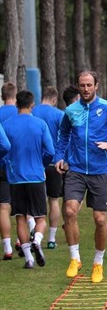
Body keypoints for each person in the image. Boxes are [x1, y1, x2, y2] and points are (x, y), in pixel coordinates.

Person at [54, 71, 107, 283]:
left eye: (89, 85)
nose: (85, 89)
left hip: (100, 170)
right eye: (82, 85)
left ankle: (98, 262)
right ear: (77, 87)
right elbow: (63, 136)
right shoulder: (71, 111)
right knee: (69, 211)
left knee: (100, 219)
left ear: (96, 85)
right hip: (76, 169)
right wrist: (60, 157)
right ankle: (75, 258)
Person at [4, 90, 54, 269]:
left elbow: (3, 148)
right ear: (32, 104)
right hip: (36, 176)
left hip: (16, 177)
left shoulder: (7, 125)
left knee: (20, 219)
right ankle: (38, 240)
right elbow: (50, 151)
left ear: (16, 104)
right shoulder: (40, 124)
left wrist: (6, 163)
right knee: (40, 218)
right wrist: (42, 164)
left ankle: (28, 259)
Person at [31, 86, 65, 249]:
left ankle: (33, 229)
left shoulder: (32, 112)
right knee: (54, 201)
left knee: (34, 200)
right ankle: (51, 238)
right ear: (54, 99)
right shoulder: (59, 114)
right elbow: (65, 137)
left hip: (35, 163)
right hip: (53, 163)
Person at [0, 82, 18, 260]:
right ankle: (24, 240)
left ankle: (7, 246)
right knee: (21, 204)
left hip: (2, 164)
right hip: (17, 164)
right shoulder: (22, 113)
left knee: (3, 207)